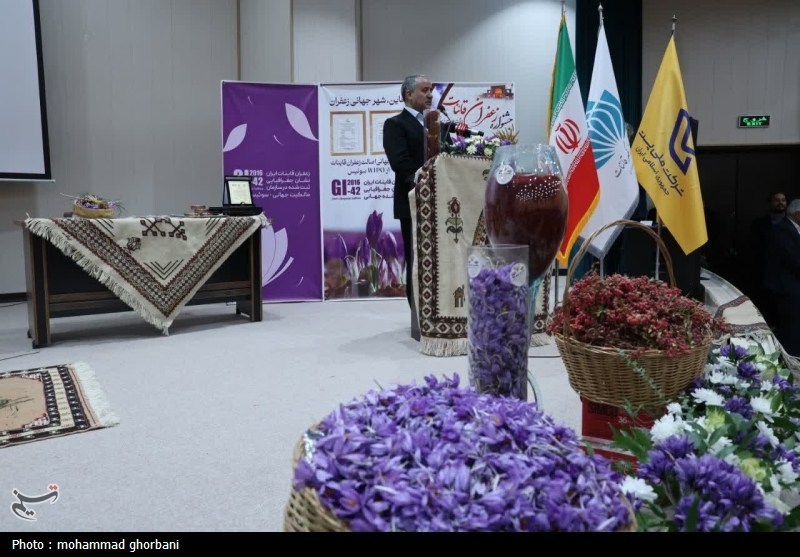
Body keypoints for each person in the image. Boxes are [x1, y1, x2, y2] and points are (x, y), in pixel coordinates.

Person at [383, 75, 433, 340]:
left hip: (439, 204)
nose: (430, 94)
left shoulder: (436, 123)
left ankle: (438, 314)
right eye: (424, 90)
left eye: (431, 90)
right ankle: (419, 320)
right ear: (408, 94)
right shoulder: (395, 124)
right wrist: (427, 180)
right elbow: (400, 163)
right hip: (413, 202)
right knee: (417, 261)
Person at [764, 198, 800, 356]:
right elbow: (793, 260)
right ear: (798, 214)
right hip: (787, 287)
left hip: (792, 285)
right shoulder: (783, 230)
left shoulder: (791, 228)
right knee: (790, 326)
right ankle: (791, 357)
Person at [750, 191, 787, 326]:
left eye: (783, 200)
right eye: (777, 200)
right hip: (764, 270)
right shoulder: (760, 223)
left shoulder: (791, 223)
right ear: (770, 203)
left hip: (785, 272)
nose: (780, 203)